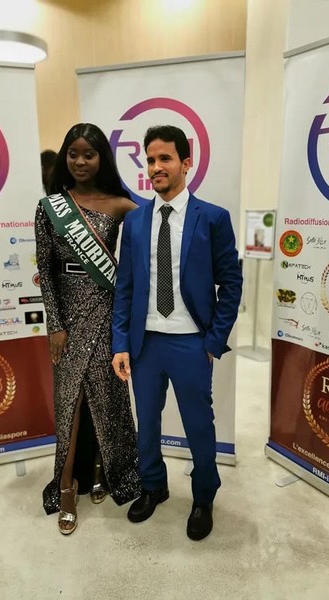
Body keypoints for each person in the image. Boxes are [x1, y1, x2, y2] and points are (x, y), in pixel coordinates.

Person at [111, 125, 242, 541]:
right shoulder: (135, 221)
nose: (156, 167)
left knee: (198, 426)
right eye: (150, 160)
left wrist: (213, 341)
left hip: (191, 343)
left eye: (164, 158)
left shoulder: (213, 218)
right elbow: (125, 288)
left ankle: (203, 497)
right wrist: (120, 343)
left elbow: (231, 283)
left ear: (186, 163)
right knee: (147, 423)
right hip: (145, 344)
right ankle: (153, 486)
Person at [35, 123, 140, 535]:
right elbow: (46, 271)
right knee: (71, 401)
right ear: (65, 157)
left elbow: (157, 231)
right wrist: (55, 325)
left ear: (102, 159)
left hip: (106, 314)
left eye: (89, 154)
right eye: (73, 153)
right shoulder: (50, 208)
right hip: (67, 318)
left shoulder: (120, 205)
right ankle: (66, 485)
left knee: (106, 398)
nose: (80, 161)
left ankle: (102, 470)